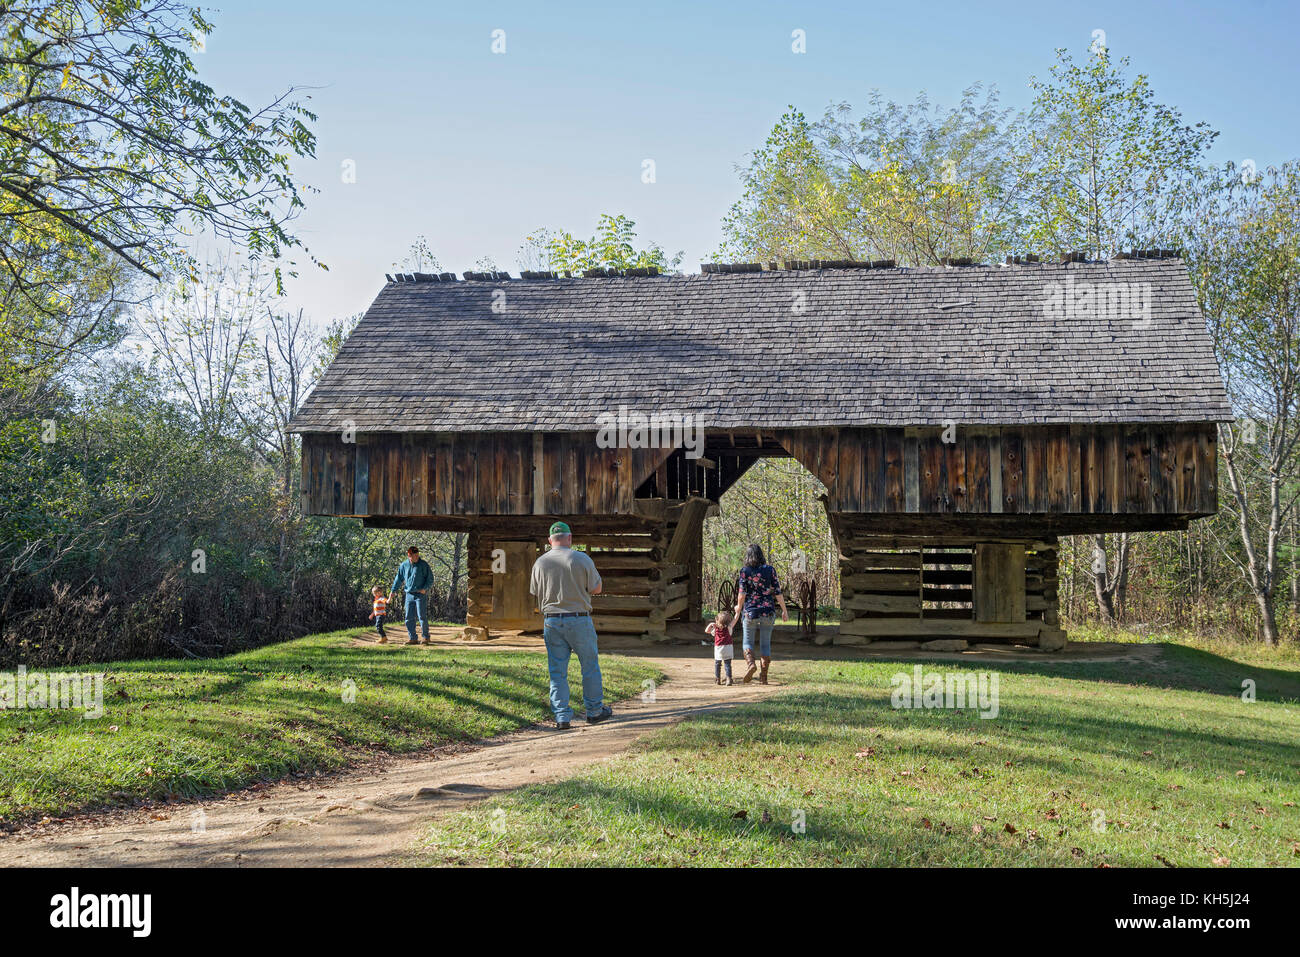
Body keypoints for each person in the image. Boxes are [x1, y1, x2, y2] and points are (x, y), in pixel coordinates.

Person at [530, 521, 612, 730]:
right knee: (589, 666)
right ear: (569, 538)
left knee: (557, 671)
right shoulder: (581, 559)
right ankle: (594, 711)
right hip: (579, 619)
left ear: (550, 540)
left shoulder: (540, 563)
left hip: (552, 621)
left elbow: (535, 592)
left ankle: (561, 716)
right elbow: (596, 589)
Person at [733, 544, 788, 684]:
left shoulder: (744, 571)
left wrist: (738, 609)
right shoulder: (770, 570)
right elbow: (777, 592)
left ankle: (751, 665)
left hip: (750, 612)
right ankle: (764, 677)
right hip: (768, 611)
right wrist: (784, 610)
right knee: (765, 644)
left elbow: (742, 593)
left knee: (747, 642)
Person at [390, 545, 433, 645]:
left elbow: (430, 579)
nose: (417, 557)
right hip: (409, 594)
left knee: (422, 616)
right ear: (409, 555)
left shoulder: (423, 565)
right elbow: (398, 579)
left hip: (420, 594)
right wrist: (393, 590)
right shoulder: (404, 565)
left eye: (418, 555)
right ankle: (413, 638)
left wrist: (425, 588)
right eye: (415, 556)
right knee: (408, 617)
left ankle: (426, 637)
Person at [705, 609, 736, 685]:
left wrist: (711, 624)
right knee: (727, 664)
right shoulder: (729, 628)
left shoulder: (716, 629)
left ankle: (717, 679)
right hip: (728, 648)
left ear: (716, 620)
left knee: (717, 664)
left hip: (718, 649)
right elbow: (735, 620)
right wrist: (737, 612)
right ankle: (728, 679)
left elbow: (706, 631)